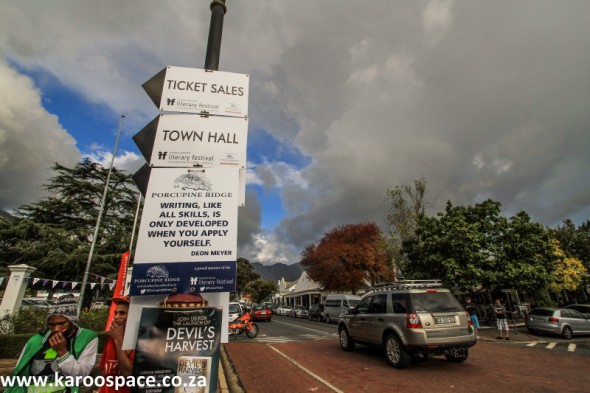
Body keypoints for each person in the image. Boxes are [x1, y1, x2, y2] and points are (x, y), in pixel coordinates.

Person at [6, 301, 98, 393]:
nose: (56, 329)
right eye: (51, 324)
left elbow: (79, 378)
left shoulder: (87, 337)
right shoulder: (35, 341)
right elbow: (19, 371)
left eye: (61, 323)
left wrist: (62, 352)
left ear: (72, 321)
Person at [99, 296, 134, 393]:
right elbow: (105, 370)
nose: (116, 317)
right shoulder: (112, 336)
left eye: (122, 313)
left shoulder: (138, 339)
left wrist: (118, 340)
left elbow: (128, 373)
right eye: (116, 313)